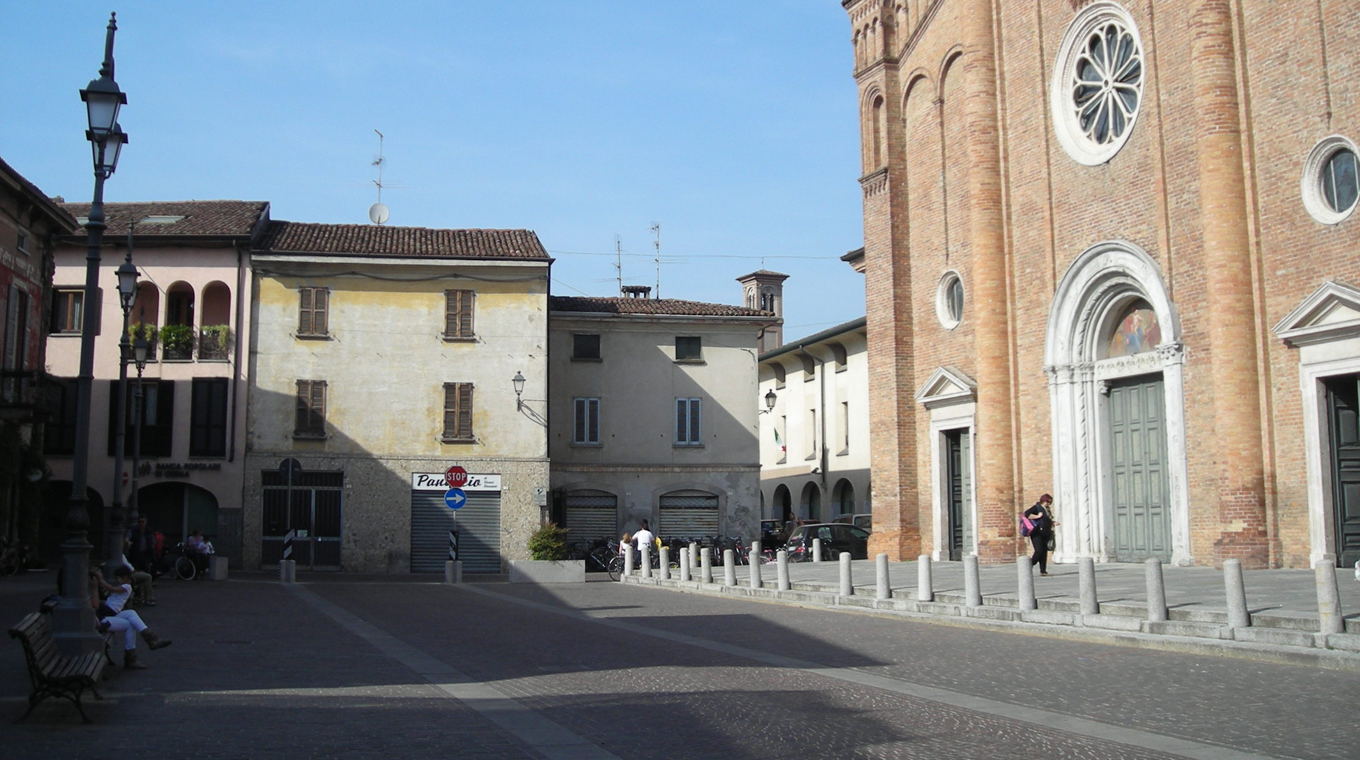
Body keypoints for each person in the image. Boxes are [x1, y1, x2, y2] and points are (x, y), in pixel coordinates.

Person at [91, 566, 172, 669]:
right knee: (131, 622)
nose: (116, 581)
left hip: (108, 614)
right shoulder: (119, 587)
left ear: (125, 577)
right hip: (102, 618)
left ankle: (151, 639)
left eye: (118, 578)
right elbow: (96, 605)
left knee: (131, 613)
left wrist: (99, 581)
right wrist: (98, 584)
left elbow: (109, 592)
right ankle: (144, 645)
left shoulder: (126, 587)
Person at [1024, 493, 1059, 576]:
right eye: (1047, 502)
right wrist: (1037, 516)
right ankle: (1029, 566)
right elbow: (1026, 514)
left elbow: (1046, 520)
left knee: (1044, 552)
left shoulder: (1047, 509)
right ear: (1042, 501)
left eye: (1049, 502)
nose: (1048, 503)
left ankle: (1043, 571)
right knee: (1038, 551)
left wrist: (1053, 523)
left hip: (1045, 533)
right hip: (1037, 533)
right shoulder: (1037, 507)